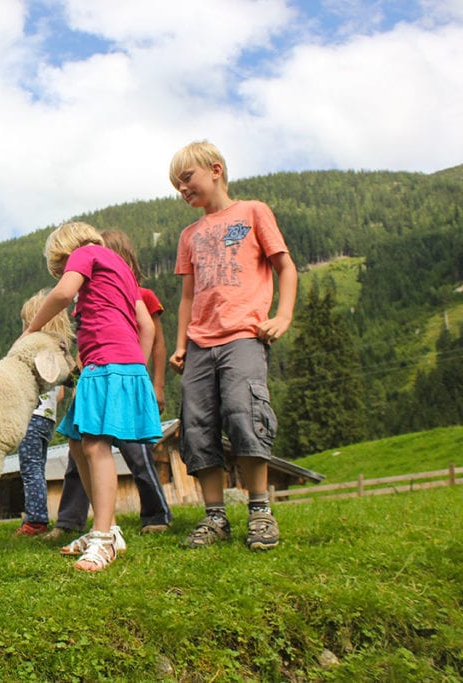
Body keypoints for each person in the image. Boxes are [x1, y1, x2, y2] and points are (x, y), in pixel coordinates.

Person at [167, 140, 297, 551]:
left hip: (244, 335)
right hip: (200, 345)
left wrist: (282, 316)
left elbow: (285, 266)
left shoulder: (253, 212)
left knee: (245, 414)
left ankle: (259, 511)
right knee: (197, 425)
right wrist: (181, 343)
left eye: (186, 179)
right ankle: (215, 518)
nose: (183, 189)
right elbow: (188, 296)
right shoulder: (189, 234)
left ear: (216, 169)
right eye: (177, 186)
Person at [22, 221, 161, 572]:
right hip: (117, 364)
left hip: (108, 364)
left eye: (61, 266)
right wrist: (137, 369)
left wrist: (32, 329)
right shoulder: (123, 271)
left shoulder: (85, 253)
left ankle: (101, 541)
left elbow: (63, 293)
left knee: (96, 447)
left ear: (66, 251)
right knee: (75, 440)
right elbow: (145, 325)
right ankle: (109, 527)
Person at [44, 230, 173, 541]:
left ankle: (124, 525)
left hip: (115, 367)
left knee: (113, 449)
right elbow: (123, 331)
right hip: (103, 368)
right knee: (79, 443)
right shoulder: (103, 290)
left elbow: (152, 337)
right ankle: (91, 523)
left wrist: (149, 380)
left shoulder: (99, 266)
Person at [13, 290, 72, 537]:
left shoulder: (34, 348)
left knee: (30, 468)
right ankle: (38, 516)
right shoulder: (60, 351)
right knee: (38, 466)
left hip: (31, 415)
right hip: (47, 418)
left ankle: (36, 520)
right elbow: (59, 393)